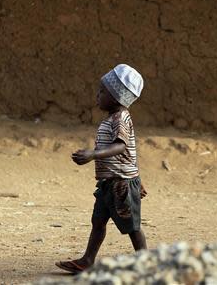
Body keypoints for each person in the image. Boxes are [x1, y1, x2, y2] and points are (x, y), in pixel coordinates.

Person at [55, 64, 148, 274]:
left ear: (116, 97)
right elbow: (131, 152)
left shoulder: (120, 118)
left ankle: (146, 261)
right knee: (98, 220)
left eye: (102, 91)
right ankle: (87, 260)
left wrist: (93, 154)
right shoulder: (112, 118)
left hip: (122, 184)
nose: (97, 95)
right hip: (109, 183)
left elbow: (122, 146)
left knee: (131, 226)